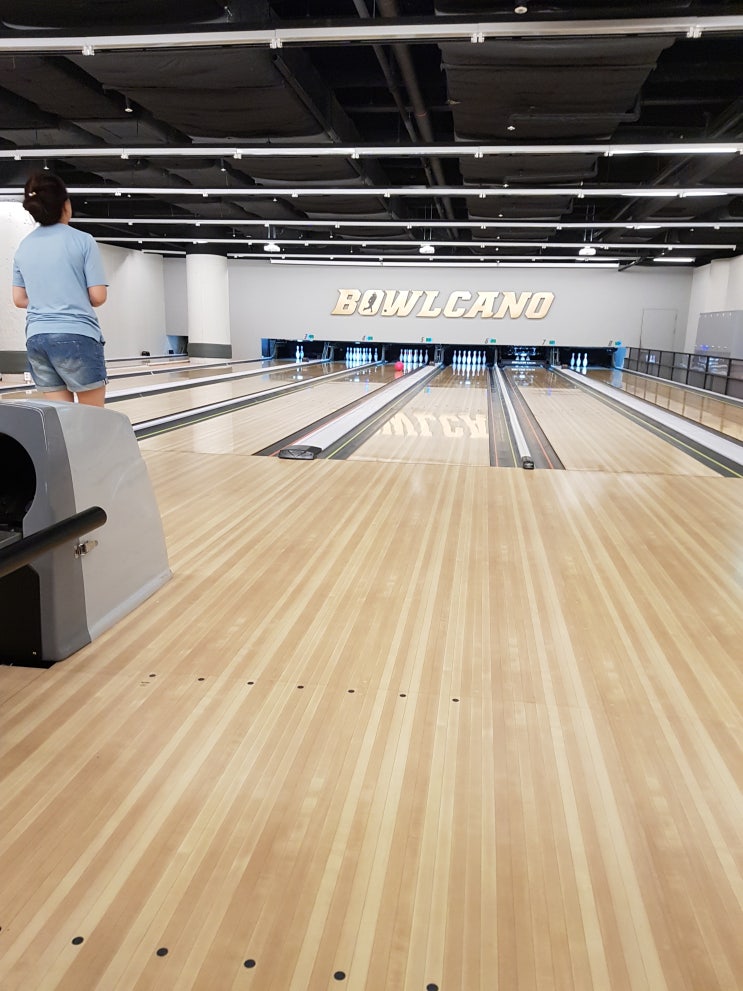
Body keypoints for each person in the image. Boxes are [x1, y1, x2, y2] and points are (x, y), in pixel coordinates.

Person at [12, 171, 108, 407]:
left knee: (62, 418)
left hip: (37, 339)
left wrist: (47, 298)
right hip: (77, 336)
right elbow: (98, 296)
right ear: (66, 205)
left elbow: (19, 299)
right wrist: (71, 295)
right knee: (93, 418)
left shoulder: (23, 247)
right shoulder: (83, 240)